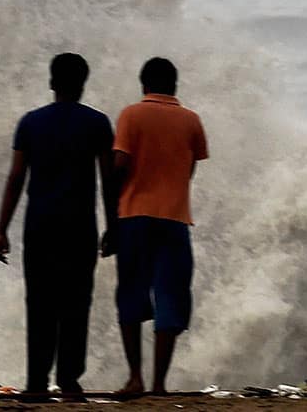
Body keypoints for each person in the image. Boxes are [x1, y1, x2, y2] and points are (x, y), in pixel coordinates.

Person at [0, 53, 114, 395]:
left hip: (40, 226)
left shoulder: (31, 123)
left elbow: (16, 178)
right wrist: (114, 226)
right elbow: (107, 180)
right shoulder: (97, 123)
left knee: (41, 302)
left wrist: (1, 228)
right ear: (83, 83)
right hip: (79, 227)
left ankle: (36, 382)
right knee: (76, 302)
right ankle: (69, 379)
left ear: (51, 82)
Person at [102, 57, 209, 395]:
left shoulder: (131, 115)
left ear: (144, 84)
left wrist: (112, 215)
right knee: (171, 295)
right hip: (175, 218)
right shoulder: (191, 120)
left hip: (134, 216)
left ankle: (135, 378)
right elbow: (189, 168)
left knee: (132, 292)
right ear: (174, 85)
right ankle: (160, 384)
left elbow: (119, 164)